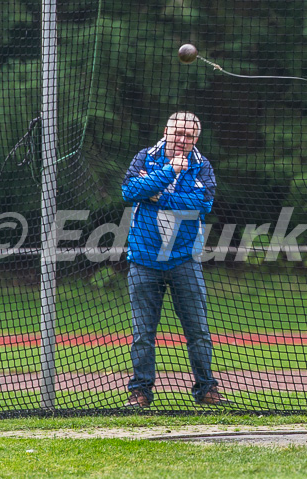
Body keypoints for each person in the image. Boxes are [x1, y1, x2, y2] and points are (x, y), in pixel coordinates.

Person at [121, 111, 226, 407]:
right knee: (143, 333)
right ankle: (140, 391)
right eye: (178, 133)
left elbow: (202, 203)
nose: (183, 140)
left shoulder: (202, 165)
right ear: (166, 130)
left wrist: (154, 193)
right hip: (144, 259)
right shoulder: (144, 157)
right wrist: (168, 173)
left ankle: (206, 389)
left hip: (184, 260)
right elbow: (129, 191)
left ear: (196, 138)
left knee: (199, 331)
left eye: (189, 136)